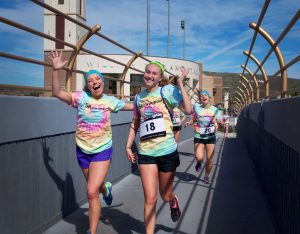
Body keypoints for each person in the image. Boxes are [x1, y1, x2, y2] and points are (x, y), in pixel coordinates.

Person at [48, 50, 133, 234]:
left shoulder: (110, 101)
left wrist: (155, 103)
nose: (95, 82)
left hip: (102, 149)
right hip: (82, 150)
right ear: (88, 85)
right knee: (96, 188)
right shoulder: (80, 98)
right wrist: (55, 70)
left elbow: (133, 106)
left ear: (103, 81)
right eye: (90, 80)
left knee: (91, 192)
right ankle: (106, 188)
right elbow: (56, 92)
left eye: (98, 79)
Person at [125, 61, 192, 234]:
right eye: (148, 72)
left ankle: (172, 201)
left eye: (154, 73)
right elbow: (135, 122)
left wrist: (180, 84)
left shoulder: (167, 91)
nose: (150, 75)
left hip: (166, 151)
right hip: (146, 152)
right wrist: (128, 145)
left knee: (164, 195)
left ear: (160, 77)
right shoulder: (139, 97)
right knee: (150, 198)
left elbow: (189, 110)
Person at [185, 90, 222, 184]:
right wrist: (189, 122)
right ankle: (199, 162)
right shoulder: (197, 108)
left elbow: (219, 121)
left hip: (211, 137)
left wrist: (217, 124)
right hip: (199, 135)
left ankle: (206, 176)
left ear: (209, 98)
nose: (203, 97)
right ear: (200, 99)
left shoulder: (216, 110)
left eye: (205, 95)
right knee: (199, 157)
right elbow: (194, 118)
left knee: (209, 159)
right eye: (201, 96)